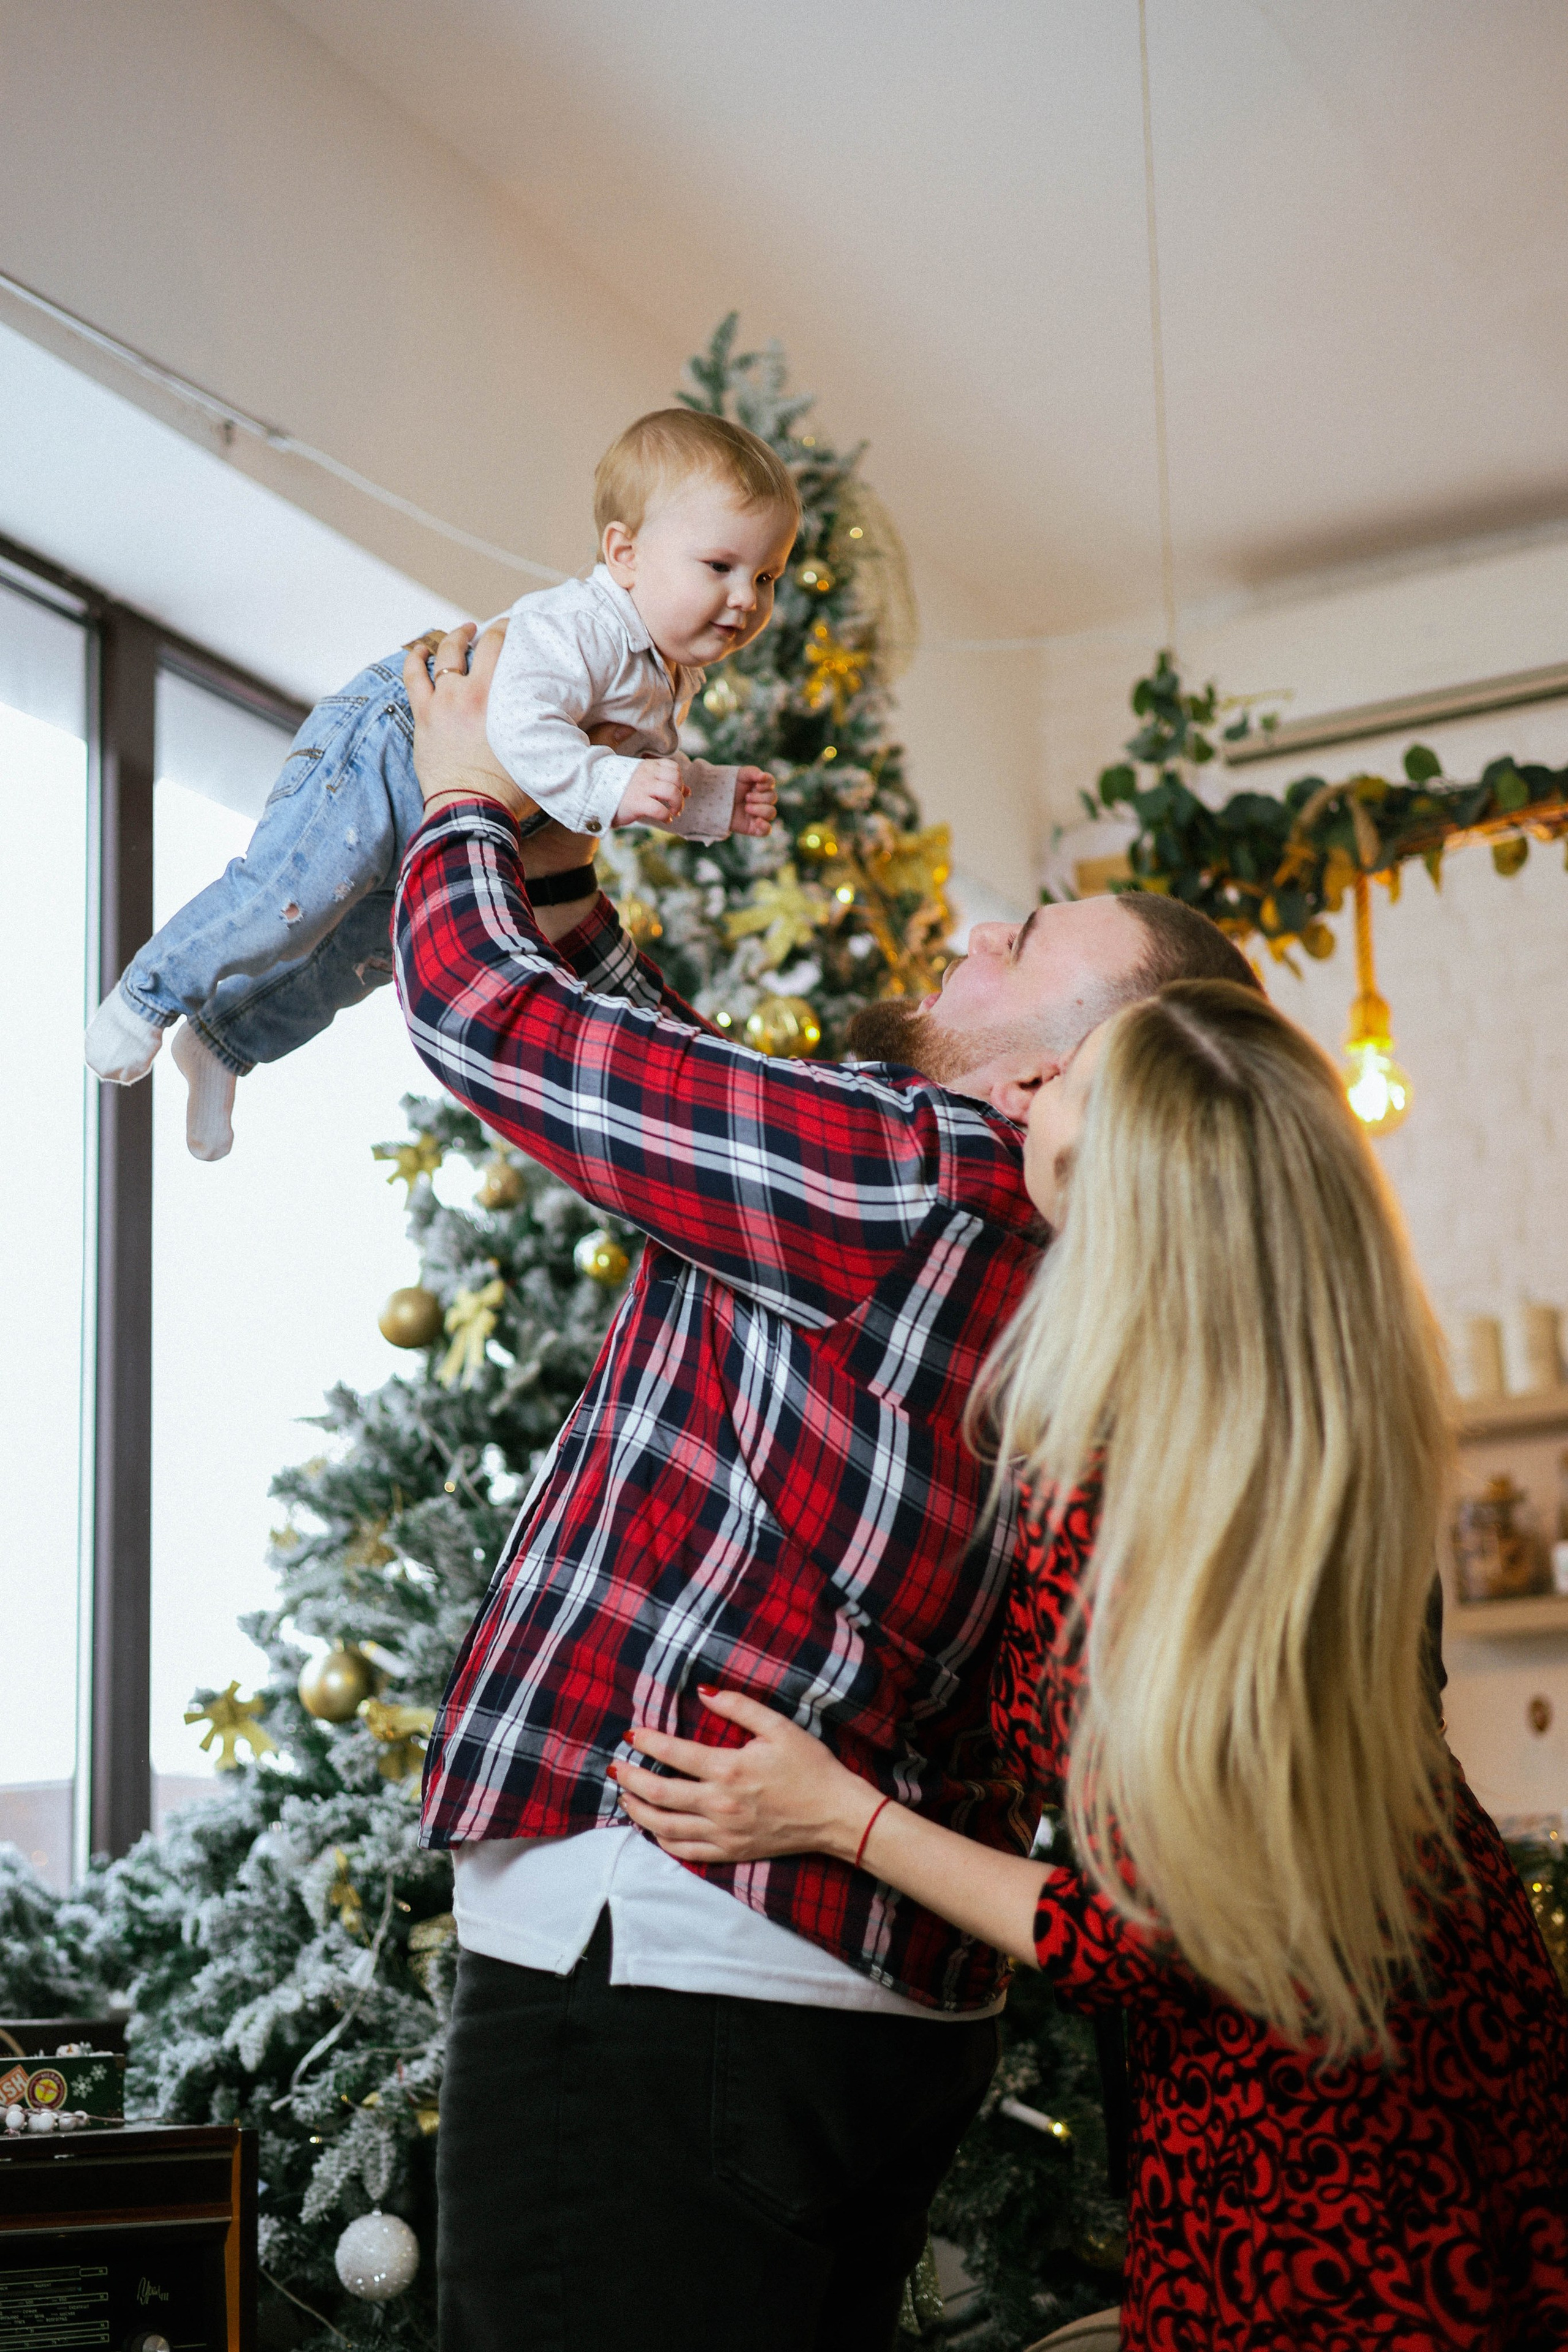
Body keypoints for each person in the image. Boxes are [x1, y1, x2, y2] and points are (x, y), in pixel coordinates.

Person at [391, 623, 1262, 2352]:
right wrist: (562, 840)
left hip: (671, 1973)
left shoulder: (917, 1174)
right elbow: (670, 1074)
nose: (971, 931)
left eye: (1019, 945)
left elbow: (500, 1026)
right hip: (845, 2010)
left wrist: (464, 801)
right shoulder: (1046, 1253)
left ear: (1044, 1082)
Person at [613, 979, 1568, 2349]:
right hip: (1461, 2034)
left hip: (1313, 2144)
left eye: (1062, 1088)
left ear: (1118, 1208)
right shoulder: (1317, 1427)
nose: (1029, 1080)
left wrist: (841, 1815)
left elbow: (1153, 1931)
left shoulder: (1124, 1492)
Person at [82, 407, 788, 1158]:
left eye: (767, 577)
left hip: (454, 808)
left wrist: (704, 795)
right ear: (625, 554)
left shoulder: (667, 672)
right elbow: (519, 728)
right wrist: (612, 783)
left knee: (359, 961)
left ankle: (224, 1045)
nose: (747, 598)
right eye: (720, 567)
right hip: (389, 744)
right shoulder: (582, 625)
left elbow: (620, 770)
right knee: (289, 899)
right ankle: (148, 993)